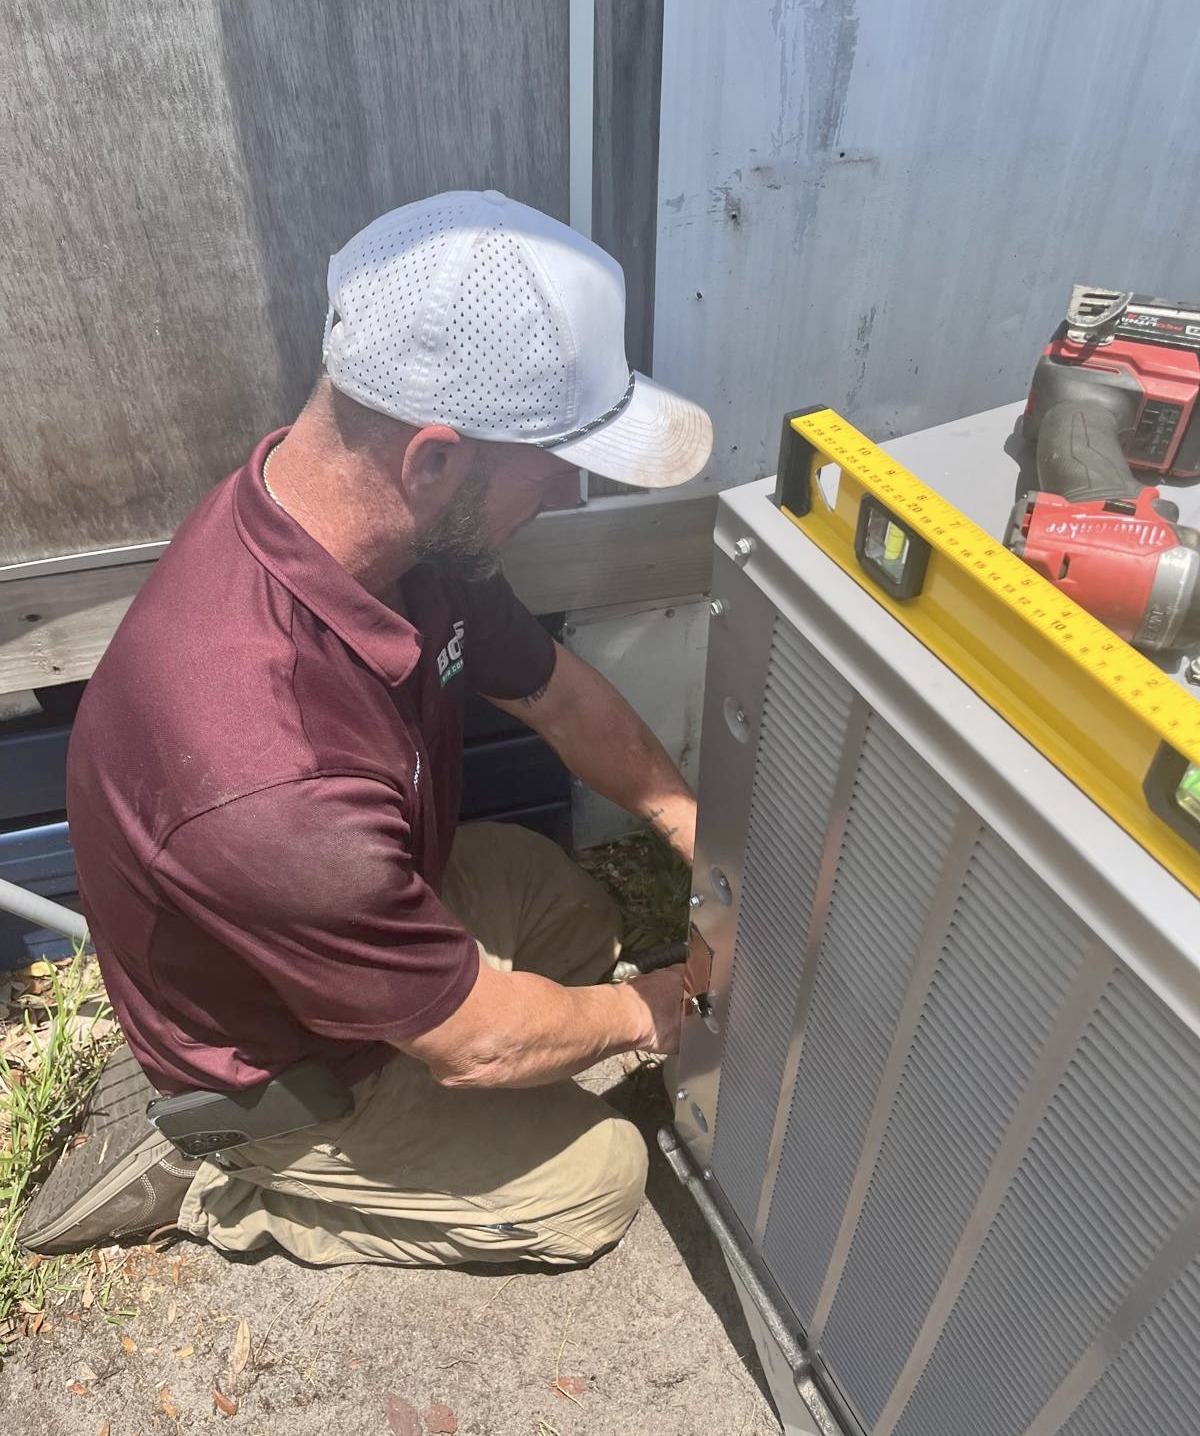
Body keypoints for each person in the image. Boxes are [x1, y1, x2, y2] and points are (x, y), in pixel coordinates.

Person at [20, 190, 712, 1267]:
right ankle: (226, 1176)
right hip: (288, 1057)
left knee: (557, 898)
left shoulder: (385, 535)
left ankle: (448, 1002)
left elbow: (560, 696)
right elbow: (477, 1042)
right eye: (554, 461)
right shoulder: (262, 763)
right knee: (601, 1178)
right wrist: (651, 1012)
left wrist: (688, 820)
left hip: (339, 902)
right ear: (433, 460)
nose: (572, 488)